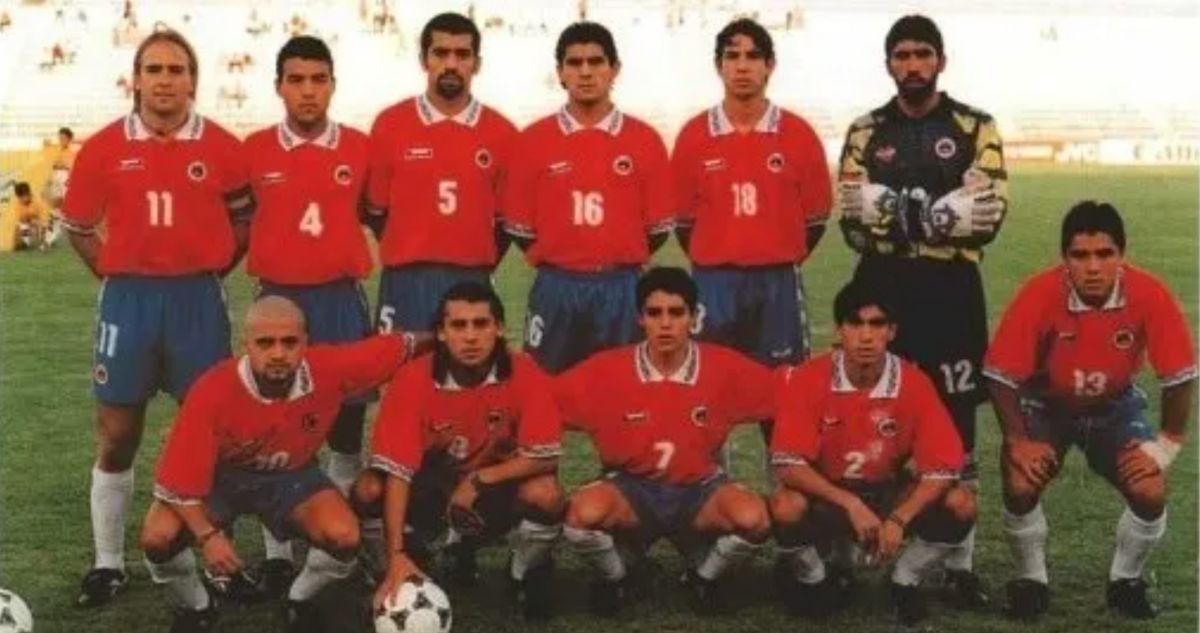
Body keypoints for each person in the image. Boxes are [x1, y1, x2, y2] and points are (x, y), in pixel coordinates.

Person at [60, 29, 255, 608]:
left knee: (216, 436)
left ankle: (220, 561)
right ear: (136, 79)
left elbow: (243, 222)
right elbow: (78, 227)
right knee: (118, 434)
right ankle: (108, 564)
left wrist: (210, 268)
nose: (165, 80)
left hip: (198, 301)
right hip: (129, 302)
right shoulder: (102, 148)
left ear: (192, 79)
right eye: (154, 69)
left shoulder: (223, 147)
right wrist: (117, 274)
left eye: (176, 69)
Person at [836, 14, 1006, 601]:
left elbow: (988, 218)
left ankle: (959, 565)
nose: (912, 65)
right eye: (902, 55)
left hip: (950, 291)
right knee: (872, 410)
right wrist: (938, 215)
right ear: (888, 64)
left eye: (922, 54)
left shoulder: (975, 126)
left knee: (957, 421)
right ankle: (853, 552)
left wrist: (897, 214)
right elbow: (851, 226)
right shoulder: (865, 130)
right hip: (881, 286)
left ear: (941, 61)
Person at [139, 296, 425, 633]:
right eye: (265, 343)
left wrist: (451, 338)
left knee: (344, 535)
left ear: (305, 342)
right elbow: (175, 483)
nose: (278, 353)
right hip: (220, 480)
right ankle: (198, 607)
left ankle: (298, 601)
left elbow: (401, 346)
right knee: (158, 537)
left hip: (292, 477)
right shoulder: (212, 390)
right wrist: (208, 536)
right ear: (246, 344)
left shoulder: (329, 368)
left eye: (290, 342)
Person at [983, 201, 1196, 621]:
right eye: (1080, 255)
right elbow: (1000, 375)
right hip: (1044, 404)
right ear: (1065, 258)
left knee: (1150, 489)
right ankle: (1030, 581)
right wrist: (1018, 440)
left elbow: (1180, 375)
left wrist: (1167, 444)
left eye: (1104, 254)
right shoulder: (1040, 292)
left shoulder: (1148, 293)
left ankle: (1126, 581)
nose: (1093, 267)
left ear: (1122, 255)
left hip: (1114, 406)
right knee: (1020, 482)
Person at [555, 267, 774, 616]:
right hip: (632, 491)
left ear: (694, 317)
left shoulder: (724, 366)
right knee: (582, 515)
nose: (666, 323)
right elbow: (543, 403)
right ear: (640, 319)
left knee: (754, 519)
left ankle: (703, 578)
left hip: (700, 491)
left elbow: (788, 397)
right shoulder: (607, 369)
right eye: (655, 313)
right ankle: (618, 579)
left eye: (676, 312)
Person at [242, 35, 375, 591]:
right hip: (278, 301)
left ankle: (335, 544)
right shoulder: (253, 151)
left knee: (345, 428)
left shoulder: (361, 148)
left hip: (340, 299)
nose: (307, 90)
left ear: (333, 85)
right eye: (296, 80)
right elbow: (236, 222)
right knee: (270, 426)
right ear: (279, 86)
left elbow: (379, 214)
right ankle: (277, 552)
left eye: (318, 79)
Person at [769, 280, 975, 626]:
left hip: (888, 492)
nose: (866, 336)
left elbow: (943, 468)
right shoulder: (808, 378)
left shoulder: (914, 382)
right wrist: (849, 504)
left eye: (877, 324)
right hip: (831, 497)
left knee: (961, 503)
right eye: (855, 323)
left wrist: (900, 518)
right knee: (785, 505)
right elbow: (788, 464)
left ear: (892, 331)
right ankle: (814, 580)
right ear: (839, 329)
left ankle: (904, 581)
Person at [356, 282, 565, 621]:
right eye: (458, 325)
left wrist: (479, 480)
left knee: (546, 494)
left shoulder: (523, 371)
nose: (470, 337)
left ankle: (524, 571)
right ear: (441, 332)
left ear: (499, 328)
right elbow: (398, 472)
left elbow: (546, 456)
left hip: (493, 491)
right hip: (432, 489)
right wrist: (395, 554)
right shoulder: (413, 378)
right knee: (368, 489)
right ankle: (392, 570)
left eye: (481, 324)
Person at [501, 21, 675, 374]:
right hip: (557, 286)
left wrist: (615, 256)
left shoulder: (644, 140)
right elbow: (520, 229)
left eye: (596, 62)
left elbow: (657, 230)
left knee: (625, 387)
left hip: (622, 287)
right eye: (574, 63)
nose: (585, 72)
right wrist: (563, 257)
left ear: (615, 69)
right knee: (546, 388)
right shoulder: (533, 140)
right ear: (560, 72)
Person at [671, 17, 831, 368]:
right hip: (714, 283)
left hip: (777, 284)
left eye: (753, 56)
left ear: (770, 65)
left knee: (782, 389)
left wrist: (773, 251)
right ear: (719, 65)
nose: (742, 66)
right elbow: (682, 223)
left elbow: (816, 220)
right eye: (732, 56)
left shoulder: (799, 134)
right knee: (709, 387)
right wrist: (722, 251)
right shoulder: (693, 136)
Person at [365, 12, 517, 335]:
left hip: (472, 279)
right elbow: (376, 212)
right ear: (424, 60)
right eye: (441, 53)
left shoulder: (502, 133)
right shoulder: (390, 125)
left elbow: (506, 223)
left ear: (477, 63)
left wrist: (473, 259)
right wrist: (412, 247)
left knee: (470, 366)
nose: (451, 64)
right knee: (400, 365)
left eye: (462, 54)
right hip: (405, 281)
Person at [10, 182, 51, 251]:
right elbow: (21, 221)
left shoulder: (39, 201)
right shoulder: (18, 204)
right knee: (17, 229)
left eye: (23, 196)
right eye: (19, 197)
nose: (21, 199)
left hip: (43, 226)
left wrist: (35, 223)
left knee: (45, 233)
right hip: (31, 226)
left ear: (28, 193)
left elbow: (45, 221)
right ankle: (24, 243)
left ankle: (45, 241)